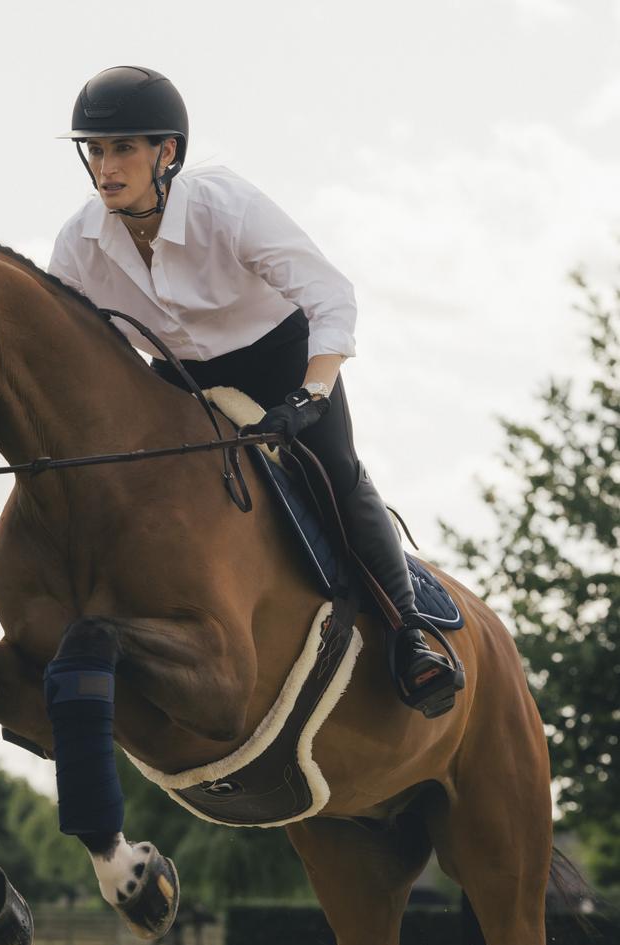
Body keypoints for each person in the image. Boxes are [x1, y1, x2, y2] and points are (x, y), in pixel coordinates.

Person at [48, 65, 461, 718]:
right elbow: (75, 353)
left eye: (123, 148)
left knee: (336, 476)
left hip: (283, 362)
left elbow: (330, 295)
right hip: (181, 379)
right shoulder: (77, 244)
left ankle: (411, 634)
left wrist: (313, 394)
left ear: (168, 153)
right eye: (95, 150)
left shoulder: (224, 204)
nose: (105, 167)